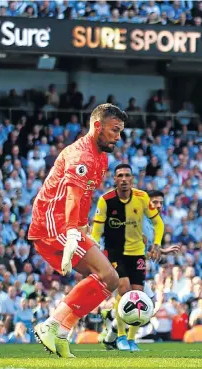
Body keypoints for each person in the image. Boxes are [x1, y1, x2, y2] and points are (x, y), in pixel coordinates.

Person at [29, 104, 127, 358]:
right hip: (52, 223)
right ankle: (51, 325)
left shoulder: (102, 157)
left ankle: (61, 331)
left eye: (121, 131)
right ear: (97, 127)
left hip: (69, 223)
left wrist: (82, 229)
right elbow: (72, 197)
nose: (118, 136)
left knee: (110, 279)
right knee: (107, 274)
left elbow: (84, 198)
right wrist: (73, 232)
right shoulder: (80, 155)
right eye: (114, 130)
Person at [91, 164, 164, 352]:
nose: (124, 179)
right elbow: (97, 229)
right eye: (120, 176)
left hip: (137, 253)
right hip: (115, 253)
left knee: (138, 295)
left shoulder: (142, 198)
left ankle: (131, 339)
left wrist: (156, 243)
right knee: (124, 289)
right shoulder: (106, 200)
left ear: (132, 179)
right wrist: (93, 250)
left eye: (127, 176)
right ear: (114, 179)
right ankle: (121, 337)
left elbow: (158, 223)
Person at [97, 188, 178, 350]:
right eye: (155, 202)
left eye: (161, 203)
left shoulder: (152, 224)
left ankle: (112, 329)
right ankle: (121, 337)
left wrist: (160, 250)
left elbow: (143, 250)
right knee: (131, 296)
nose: (159, 206)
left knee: (141, 300)